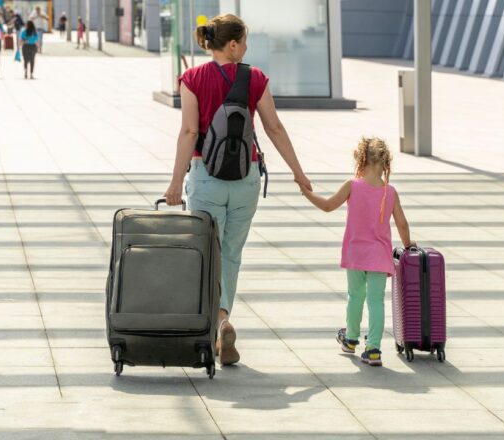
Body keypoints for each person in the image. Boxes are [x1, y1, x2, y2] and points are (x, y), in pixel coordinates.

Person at [164, 14, 311, 366]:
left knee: (207, 253)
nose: (246, 48)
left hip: (206, 179)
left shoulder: (192, 78)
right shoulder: (254, 78)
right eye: (244, 42)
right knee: (231, 255)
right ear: (232, 45)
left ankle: (218, 323)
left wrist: (173, 183)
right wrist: (298, 172)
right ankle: (223, 319)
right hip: (246, 180)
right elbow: (273, 127)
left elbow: (188, 133)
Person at [300, 138, 414, 367]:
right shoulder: (389, 192)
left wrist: (306, 192)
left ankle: (351, 339)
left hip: (355, 254)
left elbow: (327, 205)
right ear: (385, 164)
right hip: (379, 257)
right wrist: (409, 245)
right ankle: (373, 349)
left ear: (361, 160)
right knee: (376, 302)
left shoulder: (352, 185)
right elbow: (402, 223)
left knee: (355, 297)